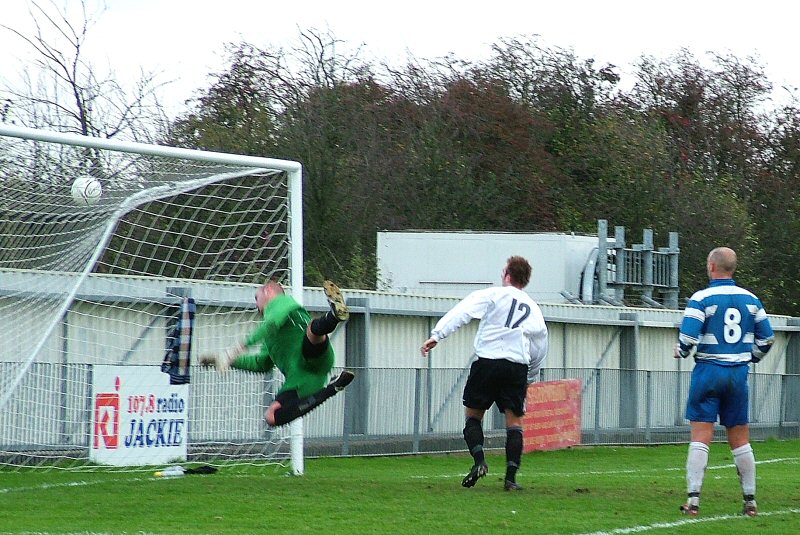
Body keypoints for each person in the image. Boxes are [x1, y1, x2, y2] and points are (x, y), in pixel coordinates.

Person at [420, 255, 548, 491]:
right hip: (516, 365)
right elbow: (540, 345)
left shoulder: (492, 294)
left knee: (473, 417)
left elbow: (463, 311)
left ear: (507, 275)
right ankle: (510, 479)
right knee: (515, 423)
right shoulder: (533, 308)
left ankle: (479, 461)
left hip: (487, 361)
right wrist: (530, 376)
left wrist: (438, 335)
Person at [674, 247, 774, 517]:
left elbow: (689, 339)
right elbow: (767, 339)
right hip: (738, 373)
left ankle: (693, 501)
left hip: (708, 370)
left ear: (711, 266)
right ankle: (750, 502)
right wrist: (749, 358)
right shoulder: (752, 299)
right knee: (740, 438)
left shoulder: (701, 298)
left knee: (701, 435)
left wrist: (681, 351)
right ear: (733, 268)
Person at [201, 280, 354, 427]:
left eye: (257, 298)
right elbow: (261, 364)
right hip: (301, 379)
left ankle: (332, 317)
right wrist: (224, 360)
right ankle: (333, 388)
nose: (256, 305)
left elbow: (273, 323)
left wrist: (232, 352)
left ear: (268, 291)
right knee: (272, 416)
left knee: (312, 332)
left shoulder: (282, 302)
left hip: (315, 359)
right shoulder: (269, 334)